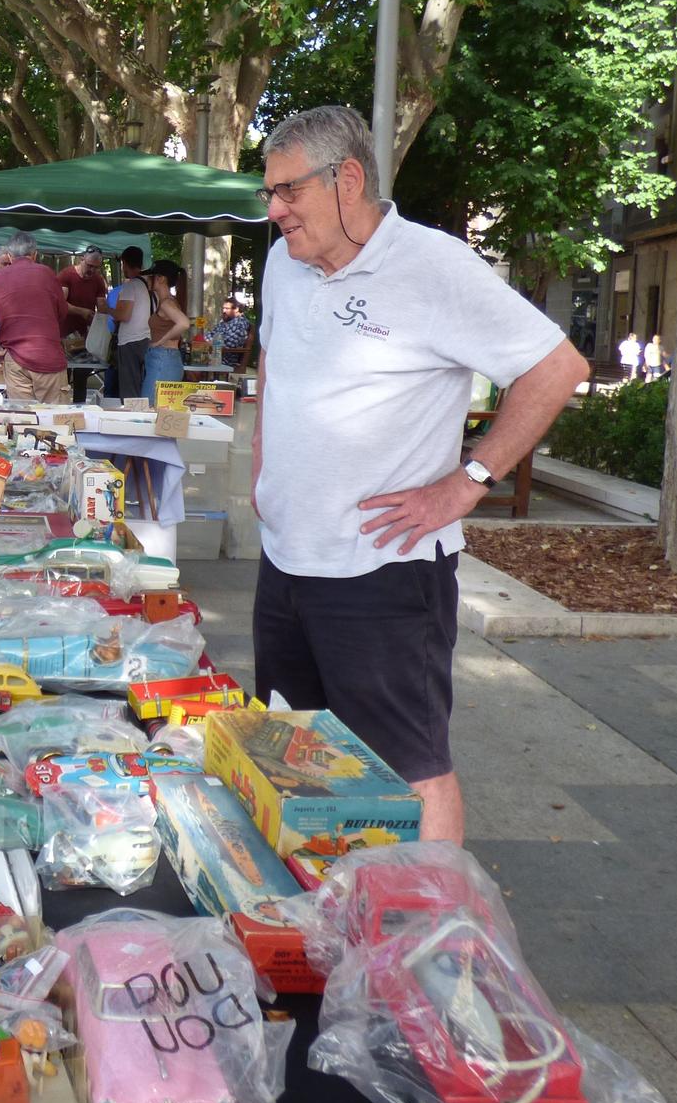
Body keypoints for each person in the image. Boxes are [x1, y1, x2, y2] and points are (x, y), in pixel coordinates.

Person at [250, 105, 589, 844]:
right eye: (268, 193)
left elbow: (556, 367)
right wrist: (264, 469)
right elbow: (275, 359)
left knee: (408, 768)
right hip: (286, 558)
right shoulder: (285, 260)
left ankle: (429, 943)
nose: (273, 210)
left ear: (347, 180)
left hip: (385, 569)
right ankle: (327, 917)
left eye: (287, 192)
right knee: (293, 748)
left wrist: (468, 480)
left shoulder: (432, 264)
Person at [0, 231, 71, 402]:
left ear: (10, 256)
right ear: (35, 254)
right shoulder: (48, 274)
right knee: (56, 421)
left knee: (22, 420)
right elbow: (62, 312)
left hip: (15, 360)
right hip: (50, 358)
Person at [106, 245, 151, 399]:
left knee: (129, 387)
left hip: (130, 342)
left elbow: (123, 315)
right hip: (145, 339)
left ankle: (131, 415)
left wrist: (107, 309)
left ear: (125, 263)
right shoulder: (147, 285)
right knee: (140, 384)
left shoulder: (130, 286)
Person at [142, 258, 190, 395]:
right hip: (165, 359)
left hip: (163, 358)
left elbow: (184, 323)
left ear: (161, 279)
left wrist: (160, 341)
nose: (147, 279)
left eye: (151, 276)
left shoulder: (166, 304)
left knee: (149, 407)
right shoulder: (167, 301)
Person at [58, 246, 109, 347]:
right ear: (82, 259)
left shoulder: (98, 280)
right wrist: (82, 311)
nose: (92, 270)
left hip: (86, 335)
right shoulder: (66, 275)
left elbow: (102, 307)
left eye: (96, 267)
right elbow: (60, 304)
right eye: (89, 266)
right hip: (65, 334)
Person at [210, 297, 252, 367]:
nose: (224, 311)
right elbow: (210, 335)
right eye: (223, 308)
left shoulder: (240, 323)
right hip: (214, 356)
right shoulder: (224, 322)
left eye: (227, 308)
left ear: (236, 309)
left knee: (194, 364)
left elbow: (230, 343)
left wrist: (210, 343)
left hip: (225, 361)